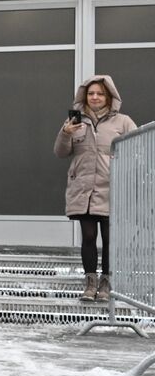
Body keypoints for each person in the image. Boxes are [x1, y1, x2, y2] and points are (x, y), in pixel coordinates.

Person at [55, 75, 137, 302]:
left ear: (109, 97)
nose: (95, 97)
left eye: (100, 93)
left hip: (112, 189)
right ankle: (90, 284)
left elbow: (137, 150)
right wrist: (65, 134)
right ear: (85, 96)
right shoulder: (75, 122)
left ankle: (106, 283)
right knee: (89, 236)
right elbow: (60, 152)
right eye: (91, 93)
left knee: (110, 237)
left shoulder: (123, 122)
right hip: (84, 189)